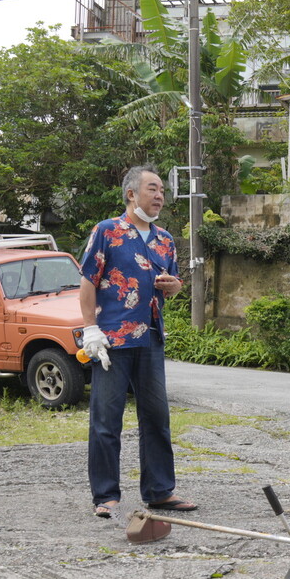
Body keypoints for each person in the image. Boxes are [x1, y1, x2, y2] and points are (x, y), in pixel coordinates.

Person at [79, 165, 195, 520]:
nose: (159, 195)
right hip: (112, 340)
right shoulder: (107, 232)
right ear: (131, 194)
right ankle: (106, 495)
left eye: (161, 190)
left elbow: (170, 283)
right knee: (106, 419)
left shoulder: (165, 239)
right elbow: (87, 281)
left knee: (157, 417)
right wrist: (90, 329)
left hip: (151, 338)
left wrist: (175, 287)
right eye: (152, 189)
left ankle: (160, 492)